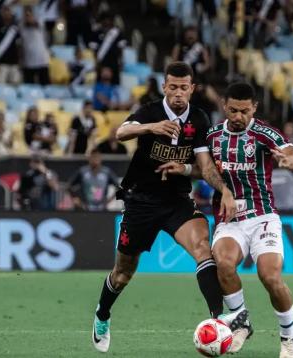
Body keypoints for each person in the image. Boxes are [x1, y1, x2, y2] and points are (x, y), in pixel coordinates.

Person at [91, 62, 236, 353]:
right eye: (173, 87)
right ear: (164, 87)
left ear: (192, 89)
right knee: (123, 273)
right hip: (141, 201)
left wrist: (223, 189)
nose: (178, 93)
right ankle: (102, 315)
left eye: (184, 87)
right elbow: (120, 132)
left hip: (177, 202)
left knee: (203, 250)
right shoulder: (150, 112)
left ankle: (218, 319)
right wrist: (151, 128)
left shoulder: (198, 118)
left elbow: (204, 166)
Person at [158, 82, 293, 357]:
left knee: (270, 277)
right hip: (229, 219)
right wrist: (186, 168)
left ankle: (288, 338)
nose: (239, 117)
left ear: (254, 108)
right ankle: (240, 322)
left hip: (262, 216)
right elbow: (207, 170)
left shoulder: (263, 133)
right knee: (223, 265)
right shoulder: (212, 136)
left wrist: (288, 160)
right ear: (225, 106)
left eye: (245, 111)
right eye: (234, 110)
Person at [88, 12, 126, 85]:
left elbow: (121, 49)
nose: (107, 22)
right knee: (100, 84)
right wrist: (96, 62)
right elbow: (94, 50)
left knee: (115, 84)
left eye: (109, 20)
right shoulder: (96, 33)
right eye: (104, 20)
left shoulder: (117, 33)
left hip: (114, 63)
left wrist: (121, 62)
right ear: (101, 21)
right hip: (102, 63)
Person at [20, 6, 50, 85]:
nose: (28, 17)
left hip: (42, 61)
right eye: (26, 15)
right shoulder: (21, 26)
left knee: (45, 85)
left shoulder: (40, 22)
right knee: (29, 86)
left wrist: (30, 19)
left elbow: (34, 23)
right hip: (28, 62)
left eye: (29, 15)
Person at [0, 5, 22, 84]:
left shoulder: (15, 28)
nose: (6, 13)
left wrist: (19, 61)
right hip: (2, 62)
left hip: (14, 62)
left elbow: (19, 46)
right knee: (1, 84)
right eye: (4, 11)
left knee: (15, 84)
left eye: (8, 11)